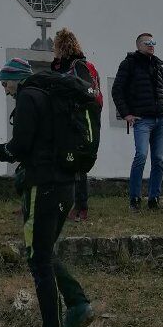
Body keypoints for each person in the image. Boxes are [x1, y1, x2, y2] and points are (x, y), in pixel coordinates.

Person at [0, 57, 95, 327]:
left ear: (16, 78)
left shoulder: (28, 96)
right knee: (44, 253)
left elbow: (20, 146)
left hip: (42, 186)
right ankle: (77, 304)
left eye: (6, 83)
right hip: (65, 184)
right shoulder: (48, 96)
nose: (6, 90)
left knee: (38, 260)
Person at [112, 32, 163, 211]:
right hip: (142, 120)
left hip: (161, 119)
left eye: (153, 42)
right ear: (139, 45)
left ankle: (154, 199)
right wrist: (126, 114)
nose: (151, 45)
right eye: (147, 42)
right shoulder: (129, 64)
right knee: (141, 156)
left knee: (158, 159)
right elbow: (117, 90)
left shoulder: (158, 66)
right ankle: (135, 199)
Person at [50, 27, 102, 222]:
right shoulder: (59, 67)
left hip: (80, 119)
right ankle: (64, 205)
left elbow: (89, 91)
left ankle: (81, 208)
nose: (54, 49)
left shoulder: (79, 65)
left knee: (78, 164)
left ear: (62, 46)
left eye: (56, 45)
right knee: (64, 161)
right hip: (65, 119)